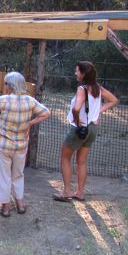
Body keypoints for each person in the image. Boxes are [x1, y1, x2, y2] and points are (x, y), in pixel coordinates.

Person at [0, 72, 51, 217]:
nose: (6, 86)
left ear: (11, 85)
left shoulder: (3, 100)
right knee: (18, 174)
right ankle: (20, 204)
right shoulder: (30, 101)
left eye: (6, 84)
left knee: (3, 175)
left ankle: (6, 207)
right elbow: (46, 113)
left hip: (3, 145)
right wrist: (30, 123)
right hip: (21, 145)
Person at [54, 61, 119, 202]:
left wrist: (77, 121)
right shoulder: (98, 88)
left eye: (77, 71)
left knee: (65, 157)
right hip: (93, 128)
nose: (75, 73)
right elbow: (114, 100)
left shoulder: (81, 89)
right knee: (82, 161)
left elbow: (76, 108)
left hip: (81, 128)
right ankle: (80, 193)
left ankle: (66, 192)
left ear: (83, 73)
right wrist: (97, 112)